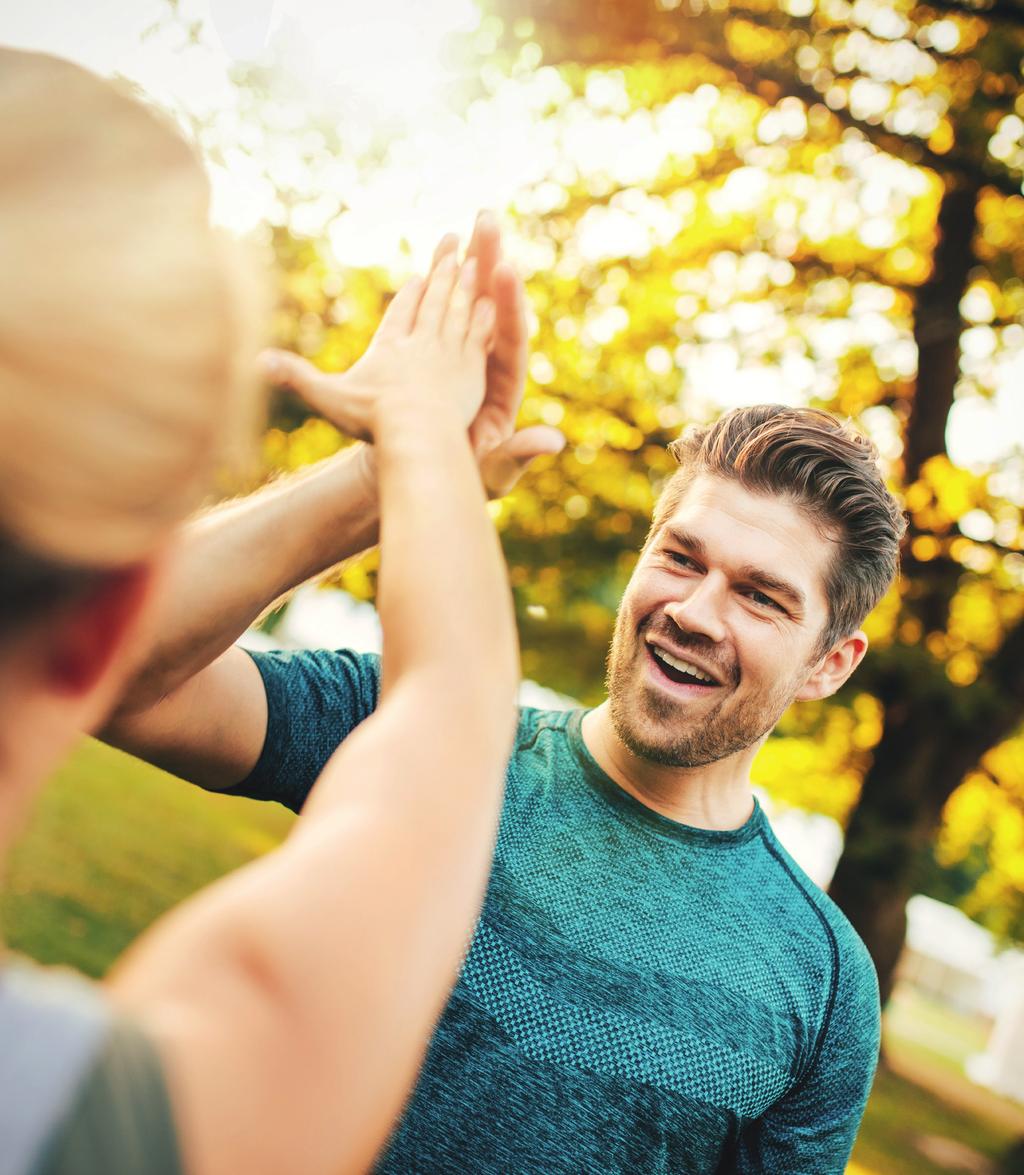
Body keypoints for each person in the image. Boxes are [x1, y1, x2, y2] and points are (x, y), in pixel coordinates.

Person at [106, 259, 908, 1175]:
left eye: (762, 597)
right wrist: (386, 468)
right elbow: (116, 669)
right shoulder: (415, 735)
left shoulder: (825, 984)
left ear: (829, 664)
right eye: (682, 557)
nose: (695, 610)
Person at [0, 47, 527, 1175]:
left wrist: (391, 455)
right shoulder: (74, 1112)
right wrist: (420, 436)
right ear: (114, 618)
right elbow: (456, 709)